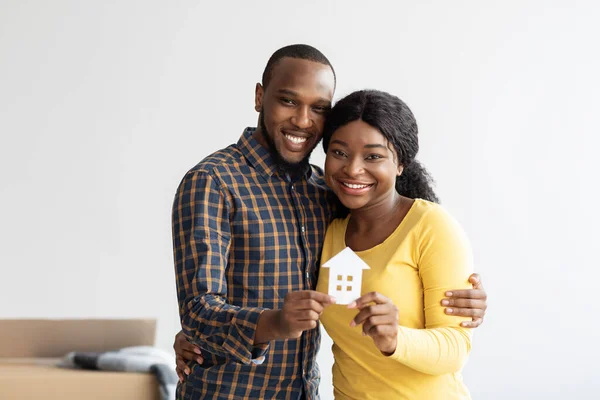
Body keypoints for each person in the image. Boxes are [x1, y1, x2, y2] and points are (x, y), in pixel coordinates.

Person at [172, 44, 487, 399]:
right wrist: (224, 331)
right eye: (288, 101)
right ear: (260, 97)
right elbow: (198, 309)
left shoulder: (326, 195)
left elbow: (442, 324)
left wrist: (463, 300)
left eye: (318, 108)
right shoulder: (214, 182)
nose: (303, 120)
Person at [315, 89, 474, 399]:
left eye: (373, 156)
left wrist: (395, 339)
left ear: (400, 163)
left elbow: (457, 346)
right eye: (339, 152)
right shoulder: (328, 228)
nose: (352, 168)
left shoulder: (431, 227)